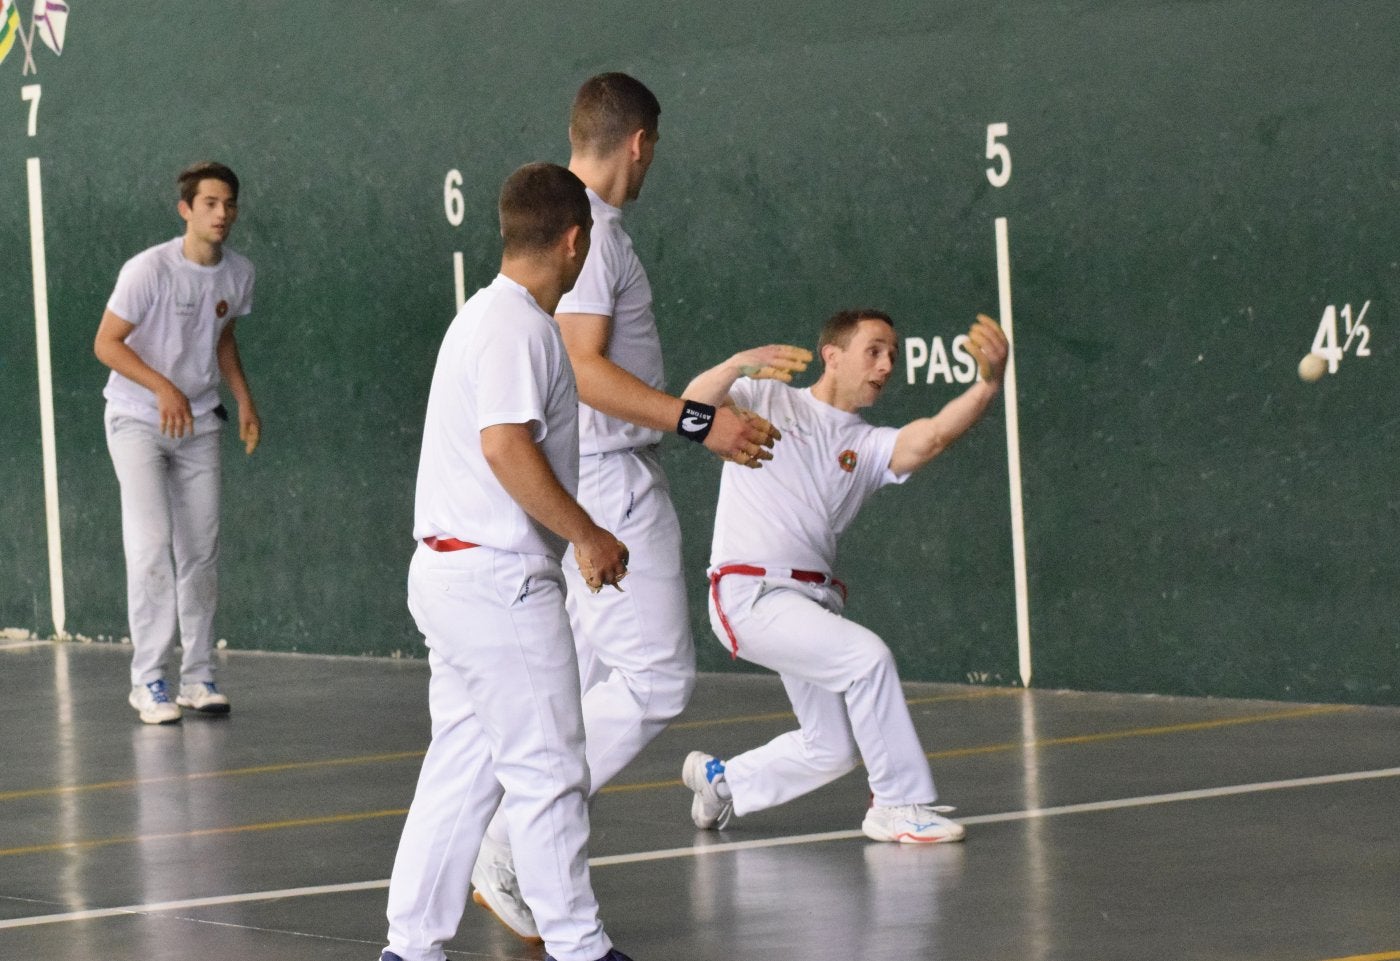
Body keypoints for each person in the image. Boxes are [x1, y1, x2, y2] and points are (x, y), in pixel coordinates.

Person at [469, 72, 809, 939]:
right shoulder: (588, 236)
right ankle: (509, 841)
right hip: (611, 480)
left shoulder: (591, 229)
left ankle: (526, 855)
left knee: (579, 684)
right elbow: (584, 368)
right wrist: (701, 422)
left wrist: (719, 379)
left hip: (601, 472)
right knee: (656, 679)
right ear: (640, 143)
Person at [379, 162, 633, 961]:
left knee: (463, 766)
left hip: (451, 576)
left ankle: (410, 948)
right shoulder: (520, 326)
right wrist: (587, 534)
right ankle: (579, 946)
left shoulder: (483, 318)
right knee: (548, 766)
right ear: (572, 239)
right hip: (497, 580)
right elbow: (505, 446)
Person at [680, 310, 1010, 843]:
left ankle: (722, 782)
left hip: (808, 604)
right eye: (874, 351)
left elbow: (931, 437)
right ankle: (898, 804)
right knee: (867, 659)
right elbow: (692, 409)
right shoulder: (765, 399)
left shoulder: (870, 444)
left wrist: (988, 384)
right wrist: (737, 365)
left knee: (829, 748)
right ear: (832, 356)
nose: (886, 366)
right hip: (751, 592)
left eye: (893, 357)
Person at [94, 161, 261, 725]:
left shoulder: (238, 274)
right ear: (186, 209)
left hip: (199, 425)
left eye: (229, 203)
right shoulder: (148, 271)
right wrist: (163, 387)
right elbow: (107, 344)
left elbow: (223, 338)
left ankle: (197, 677)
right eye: (210, 203)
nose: (222, 213)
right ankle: (150, 681)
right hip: (137, 418)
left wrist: (243, 400)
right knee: (150, 548)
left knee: (200, 552)